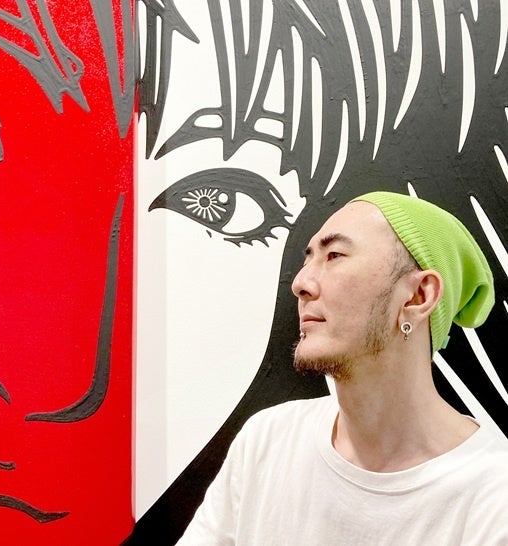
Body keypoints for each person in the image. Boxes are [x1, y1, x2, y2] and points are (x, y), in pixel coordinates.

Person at [175, 191, 508, 545]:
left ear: (418, 296)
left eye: (334, 255)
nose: (300, 283)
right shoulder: (268, 440)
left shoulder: (493, 495)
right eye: (308, 259)